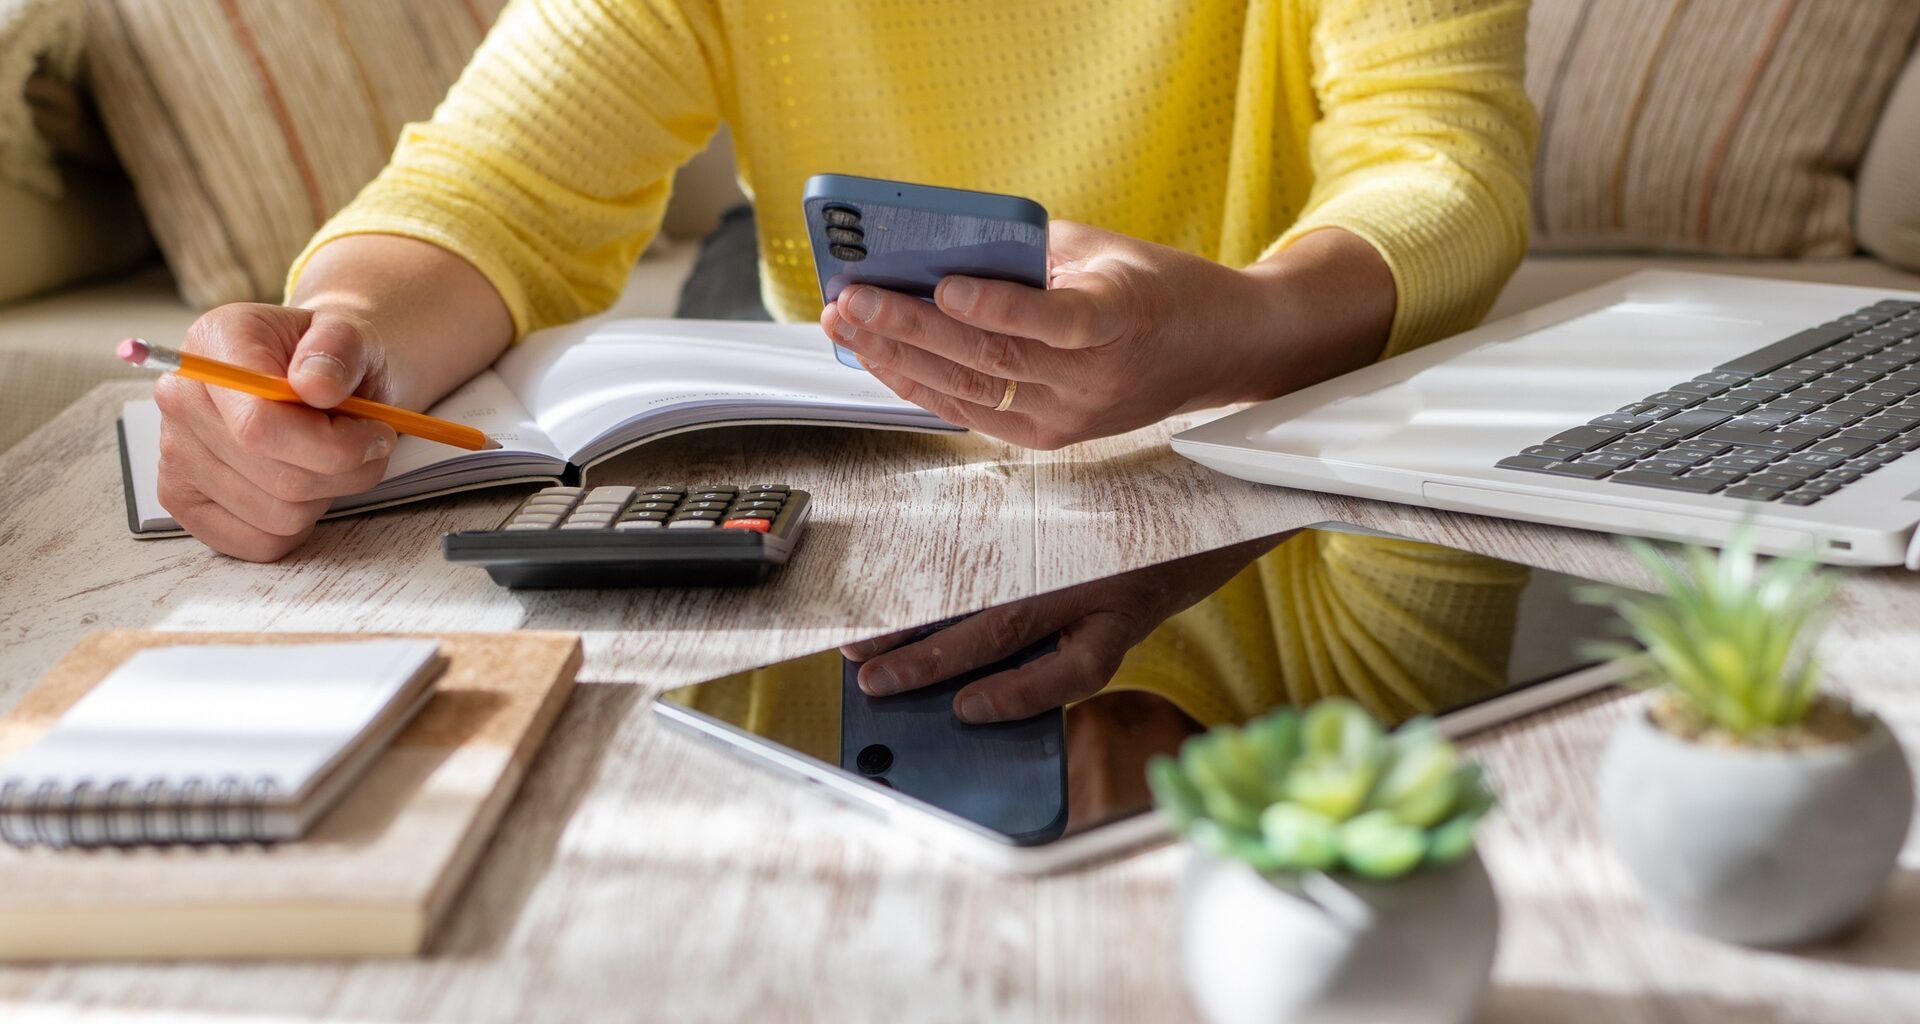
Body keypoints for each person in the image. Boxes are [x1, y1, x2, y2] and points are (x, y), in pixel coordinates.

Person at [152, 0, 1534, 562]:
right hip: (856, 476)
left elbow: (1442, 156)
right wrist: (342, 341)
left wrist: (1256, 322)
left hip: (1267, 473)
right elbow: (498, 183)